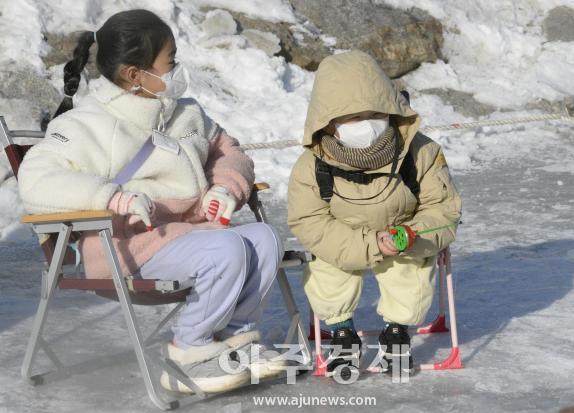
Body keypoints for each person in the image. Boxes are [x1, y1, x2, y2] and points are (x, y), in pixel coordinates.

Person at [18, 9, 285, 393]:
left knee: (265, 238)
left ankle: (233, 338)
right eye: (170, 63)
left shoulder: (187, 113)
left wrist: (225, 187)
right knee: (227, 248)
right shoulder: (85, 125)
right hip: (127, 247)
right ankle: (188, 349)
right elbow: (36, 180)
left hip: (192, 235)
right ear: (134, 74)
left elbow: (230, 151)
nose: (178, 70)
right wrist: (111, 197)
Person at [287, 51, 462, 375]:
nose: (365, 124)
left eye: (373, 113)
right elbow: (309, 220)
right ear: (328, 122)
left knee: (410, 275)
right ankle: (343, 334)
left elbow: (444, 209)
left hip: (403, 234)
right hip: (343, 236)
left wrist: (412, 234)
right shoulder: (311, 166)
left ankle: (397, 334)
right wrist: (367, 244)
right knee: (327, 272)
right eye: (352, 118)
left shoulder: (421, 152)